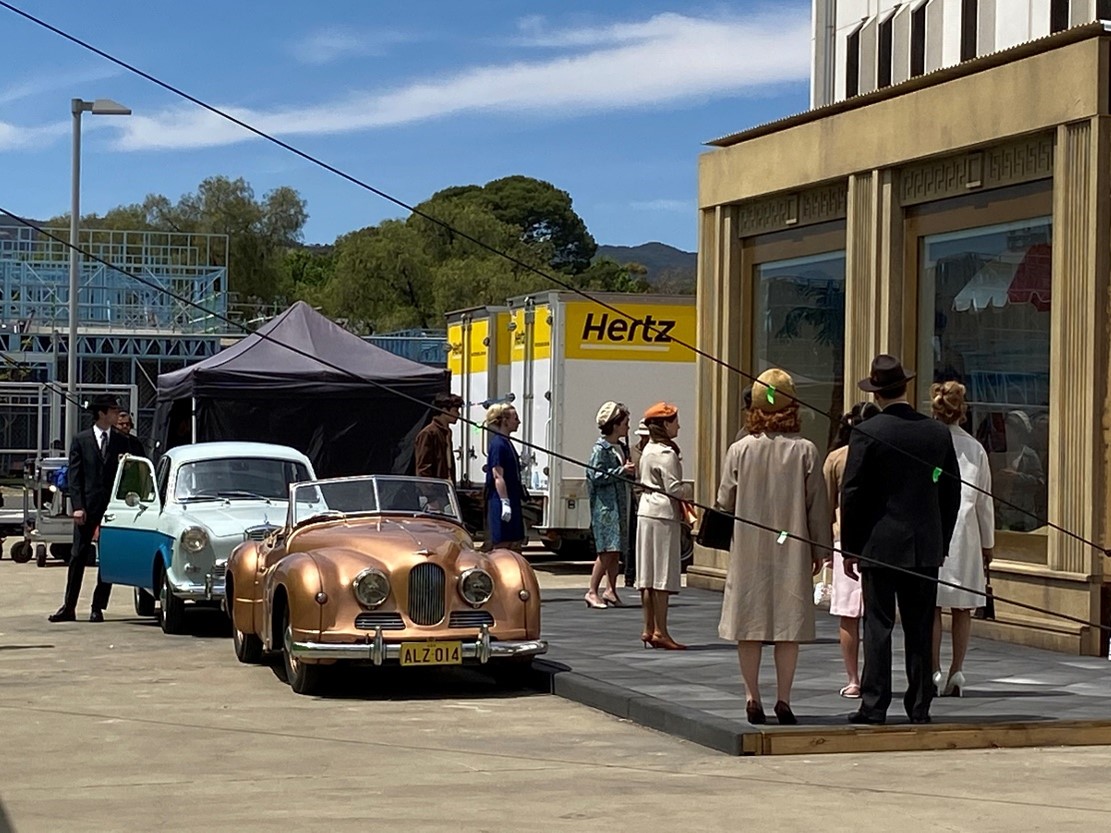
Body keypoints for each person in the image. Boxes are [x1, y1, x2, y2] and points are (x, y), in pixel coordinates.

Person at [840, 355, 961, 725]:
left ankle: (874, 704)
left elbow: (853, 492)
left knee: (877, 625)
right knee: (920, 626)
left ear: (876, 394)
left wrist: (850, 547)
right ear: (906, 387)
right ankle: (920, 703)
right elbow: (952, 491)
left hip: (879, 544)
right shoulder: (937, 432)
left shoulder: (867, 432)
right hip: (924, 544)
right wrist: (941, 540)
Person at [716, 369, 831, 725]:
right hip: (791, 547)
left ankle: (752, 697)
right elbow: (817, 506)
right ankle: (784, 699)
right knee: (787, 626)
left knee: (748, 625)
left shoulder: (740, 450)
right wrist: (820, 550)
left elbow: (724, 500)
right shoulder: (805, 451)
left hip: (749, 548)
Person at [931, 381, 994, 698]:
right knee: (962, 609)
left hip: (934, 528)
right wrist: (988, 542)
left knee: (932, 606)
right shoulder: (975, 449)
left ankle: (933, 670)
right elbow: (984, 500)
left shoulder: (928, 442)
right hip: (967, 533)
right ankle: (957, 669)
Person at [49, 394, 131, 623]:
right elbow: (75, 476)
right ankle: (69, 606)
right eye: (113, 410)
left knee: (107, 558)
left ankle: (98, 606)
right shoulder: (81, 440)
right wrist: (78, 506)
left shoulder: (121, 441)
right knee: (77, 555)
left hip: (112, 508)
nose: (118, 414)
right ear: (102, 413)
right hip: (87, 506)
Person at [823, 401, 880, 699]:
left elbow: (825, 502)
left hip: (842, 538)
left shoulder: (836, 458)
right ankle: (873, 676)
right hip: (878, 539)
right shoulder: (884, 453)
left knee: (848, 616)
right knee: (876, 615)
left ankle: (853, 678)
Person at [635, 402, 690, 650]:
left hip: (645, 512)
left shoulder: (648, 450)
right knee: (662, 576)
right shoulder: (666, 454)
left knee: (647, 574)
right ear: (665, 424)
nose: (678, 425)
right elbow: (675, 489)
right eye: (675, 421)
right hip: (662, 515)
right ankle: (661, 631)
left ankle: (648, 628)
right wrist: (691, 491)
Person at [585, 401, 634, 609]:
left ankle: (611, 589)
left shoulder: (620, 447)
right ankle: (592, 590)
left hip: (620, 503)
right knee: (606, 549)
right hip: (606, 507)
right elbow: (595, 476)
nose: (627, 427)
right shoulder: (600, 450)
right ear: (615, 425)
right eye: (625, 423)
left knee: (616, 549)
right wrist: (621, 471)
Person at [483, 402, 526, 552]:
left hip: (512, 497)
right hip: (501, 500)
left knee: (513, 542)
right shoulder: (498, 444)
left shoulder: (507, 443)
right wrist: (505, 502)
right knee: (502, 544)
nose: (518, 422)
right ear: (504, 421)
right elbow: (498, 475)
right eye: (515, 418)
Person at [623, 420, 651, 588]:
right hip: (634, 498)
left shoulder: (653, 451)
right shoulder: (632, 451)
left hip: (647, 498)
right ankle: (629, 575)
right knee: (631, 540)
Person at [414, 392, 463, 483]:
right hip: (435, 492)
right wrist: (430, 492)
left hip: (446, 488)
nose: (458, 414)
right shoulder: (428, 433)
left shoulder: (446, 432)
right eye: (455, 411)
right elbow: (423, 468)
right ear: (444, 410)